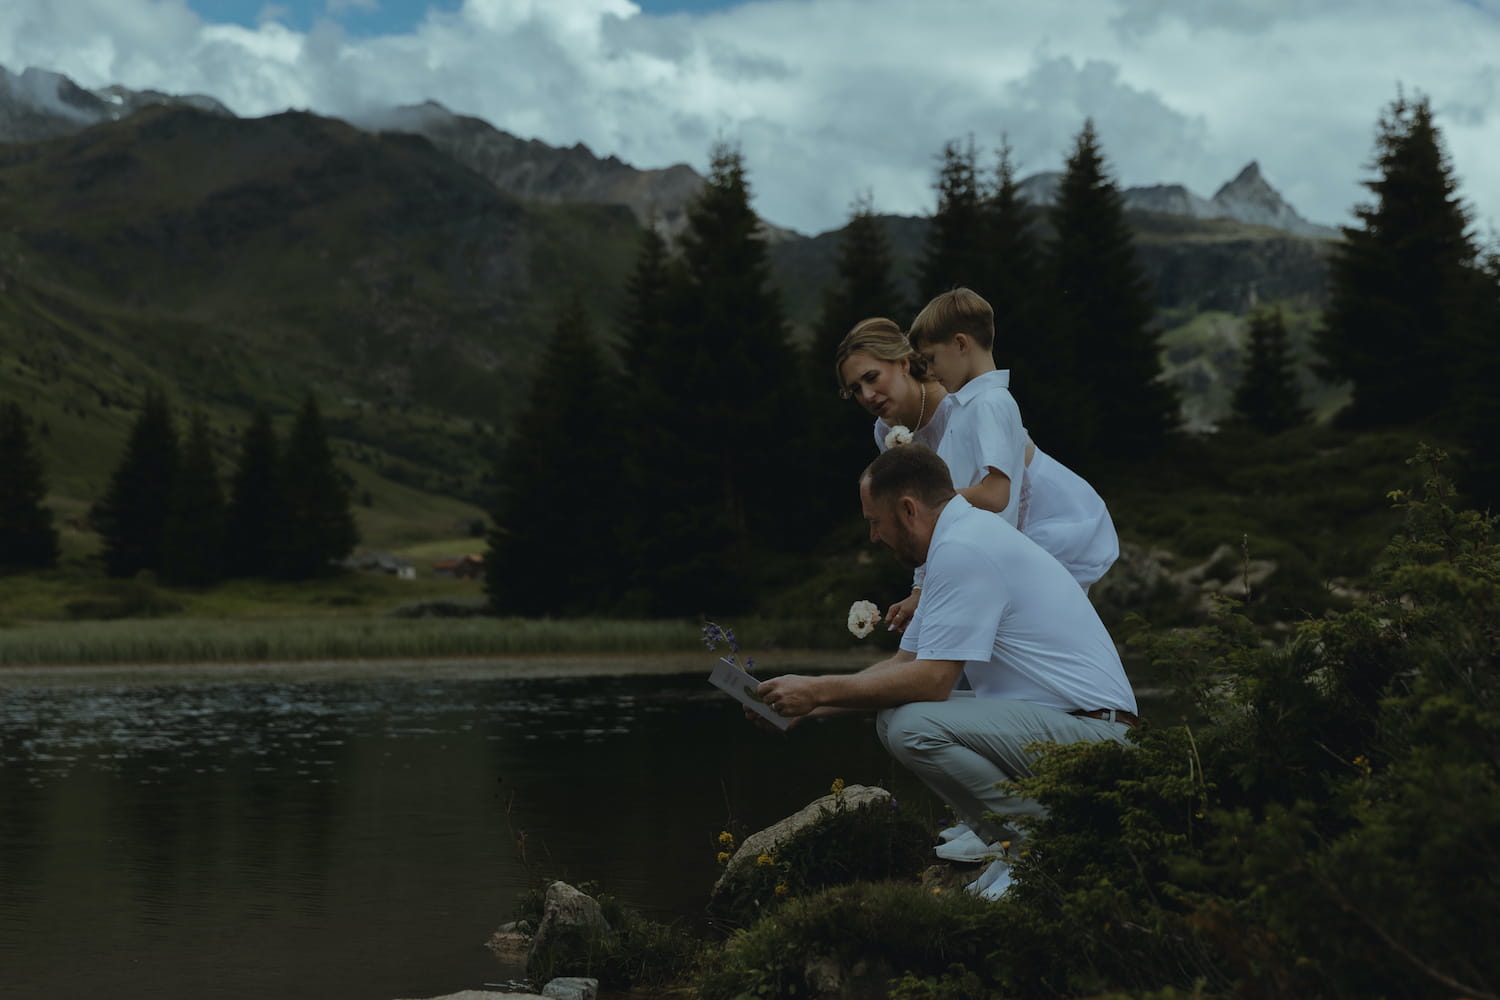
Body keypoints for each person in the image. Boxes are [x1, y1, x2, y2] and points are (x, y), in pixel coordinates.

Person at [755, 444, 1138, 899]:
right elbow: (906, 666)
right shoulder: (957, 544)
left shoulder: (965, 548)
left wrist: (818, 689)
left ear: (908, 509)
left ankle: (1039, 847)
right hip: (1069, 727)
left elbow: (932, 683)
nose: (874, 537)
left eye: (874, 522)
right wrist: (810, 707)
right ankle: (1017, 846)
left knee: (911, 725)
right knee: (901, 716)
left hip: (1098, 738)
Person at [907, 287, 1118, 601]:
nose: (931, 372)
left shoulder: (990, 403)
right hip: (977, 557)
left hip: (990, 561)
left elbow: (996, 494)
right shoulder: (965, 407)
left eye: (931, 359)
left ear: (961, 344)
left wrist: (933, 501)